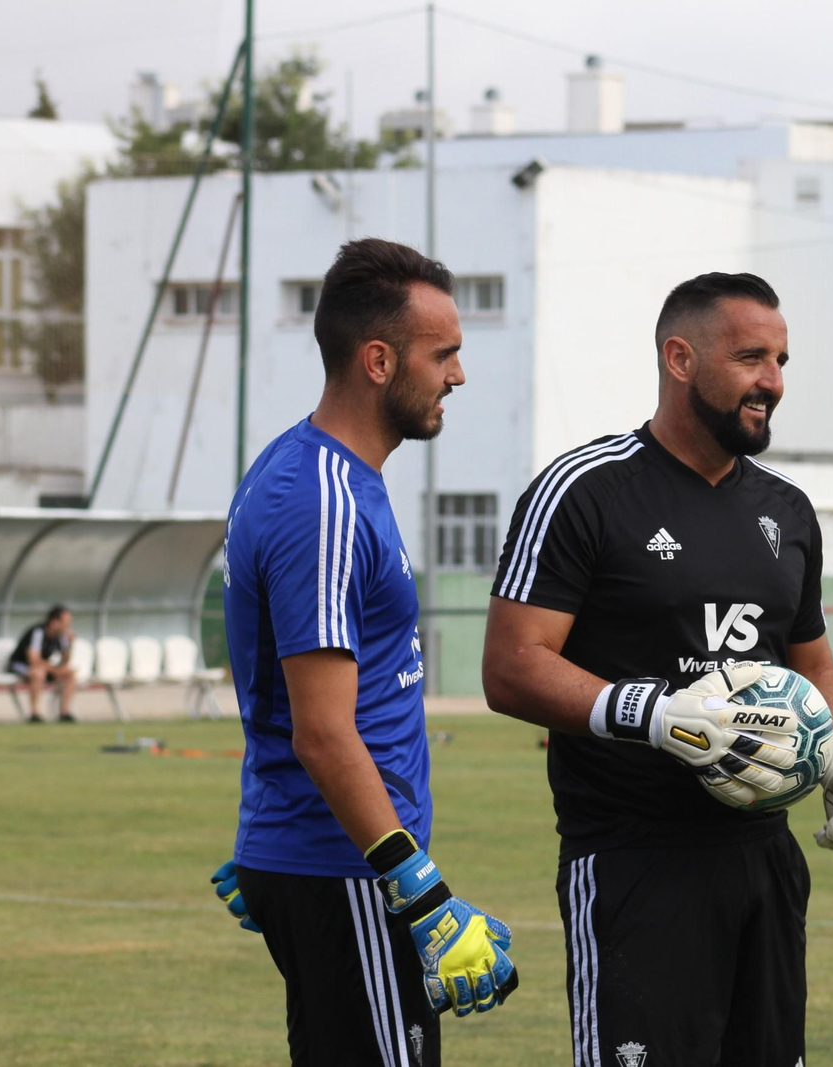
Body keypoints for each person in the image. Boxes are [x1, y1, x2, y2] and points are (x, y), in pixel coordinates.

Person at [482, 271, 833, 1067]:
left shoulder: (787, 510)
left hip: (766, 858)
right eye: (750, 357)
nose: (772, 381)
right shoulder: (584, 492)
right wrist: (655, 714)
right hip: (636, 858)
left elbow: (813, 661)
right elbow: (510, 666)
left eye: (780, 360)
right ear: (680, 357)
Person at [210, 238, 516, 1067]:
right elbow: (320, 729)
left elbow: (272, 678)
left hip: (319, 857)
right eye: (443, 353)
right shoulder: (323, 499)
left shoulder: (308, 471)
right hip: (347, 868)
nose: (458, 374)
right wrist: (421, 894)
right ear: (379, 360)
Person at [8, 604, 78, 722]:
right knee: (38, 674)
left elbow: (65, 662)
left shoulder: (61, 636)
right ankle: (34, 714)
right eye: (66, 622)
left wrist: (69, 645)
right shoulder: (38, 632)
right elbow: (33, 660)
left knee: (69, 673)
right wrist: (55, 670)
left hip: (44, 667)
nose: (68, 626)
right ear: (55, 622)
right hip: (21, 665)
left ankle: (64, 713)